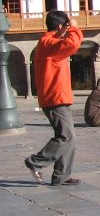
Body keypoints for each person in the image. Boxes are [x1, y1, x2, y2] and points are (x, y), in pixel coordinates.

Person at [25, 11, 84, 186]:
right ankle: (36, 161)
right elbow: (73, 43)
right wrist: (73, 27)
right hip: (54, 97)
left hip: (59, 96)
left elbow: (63, 41)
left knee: (68, 137)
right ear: (60, 26)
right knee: (66, 136)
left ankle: (62, 175)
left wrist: (64, 30)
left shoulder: (50, 42)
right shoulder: (47, 42)